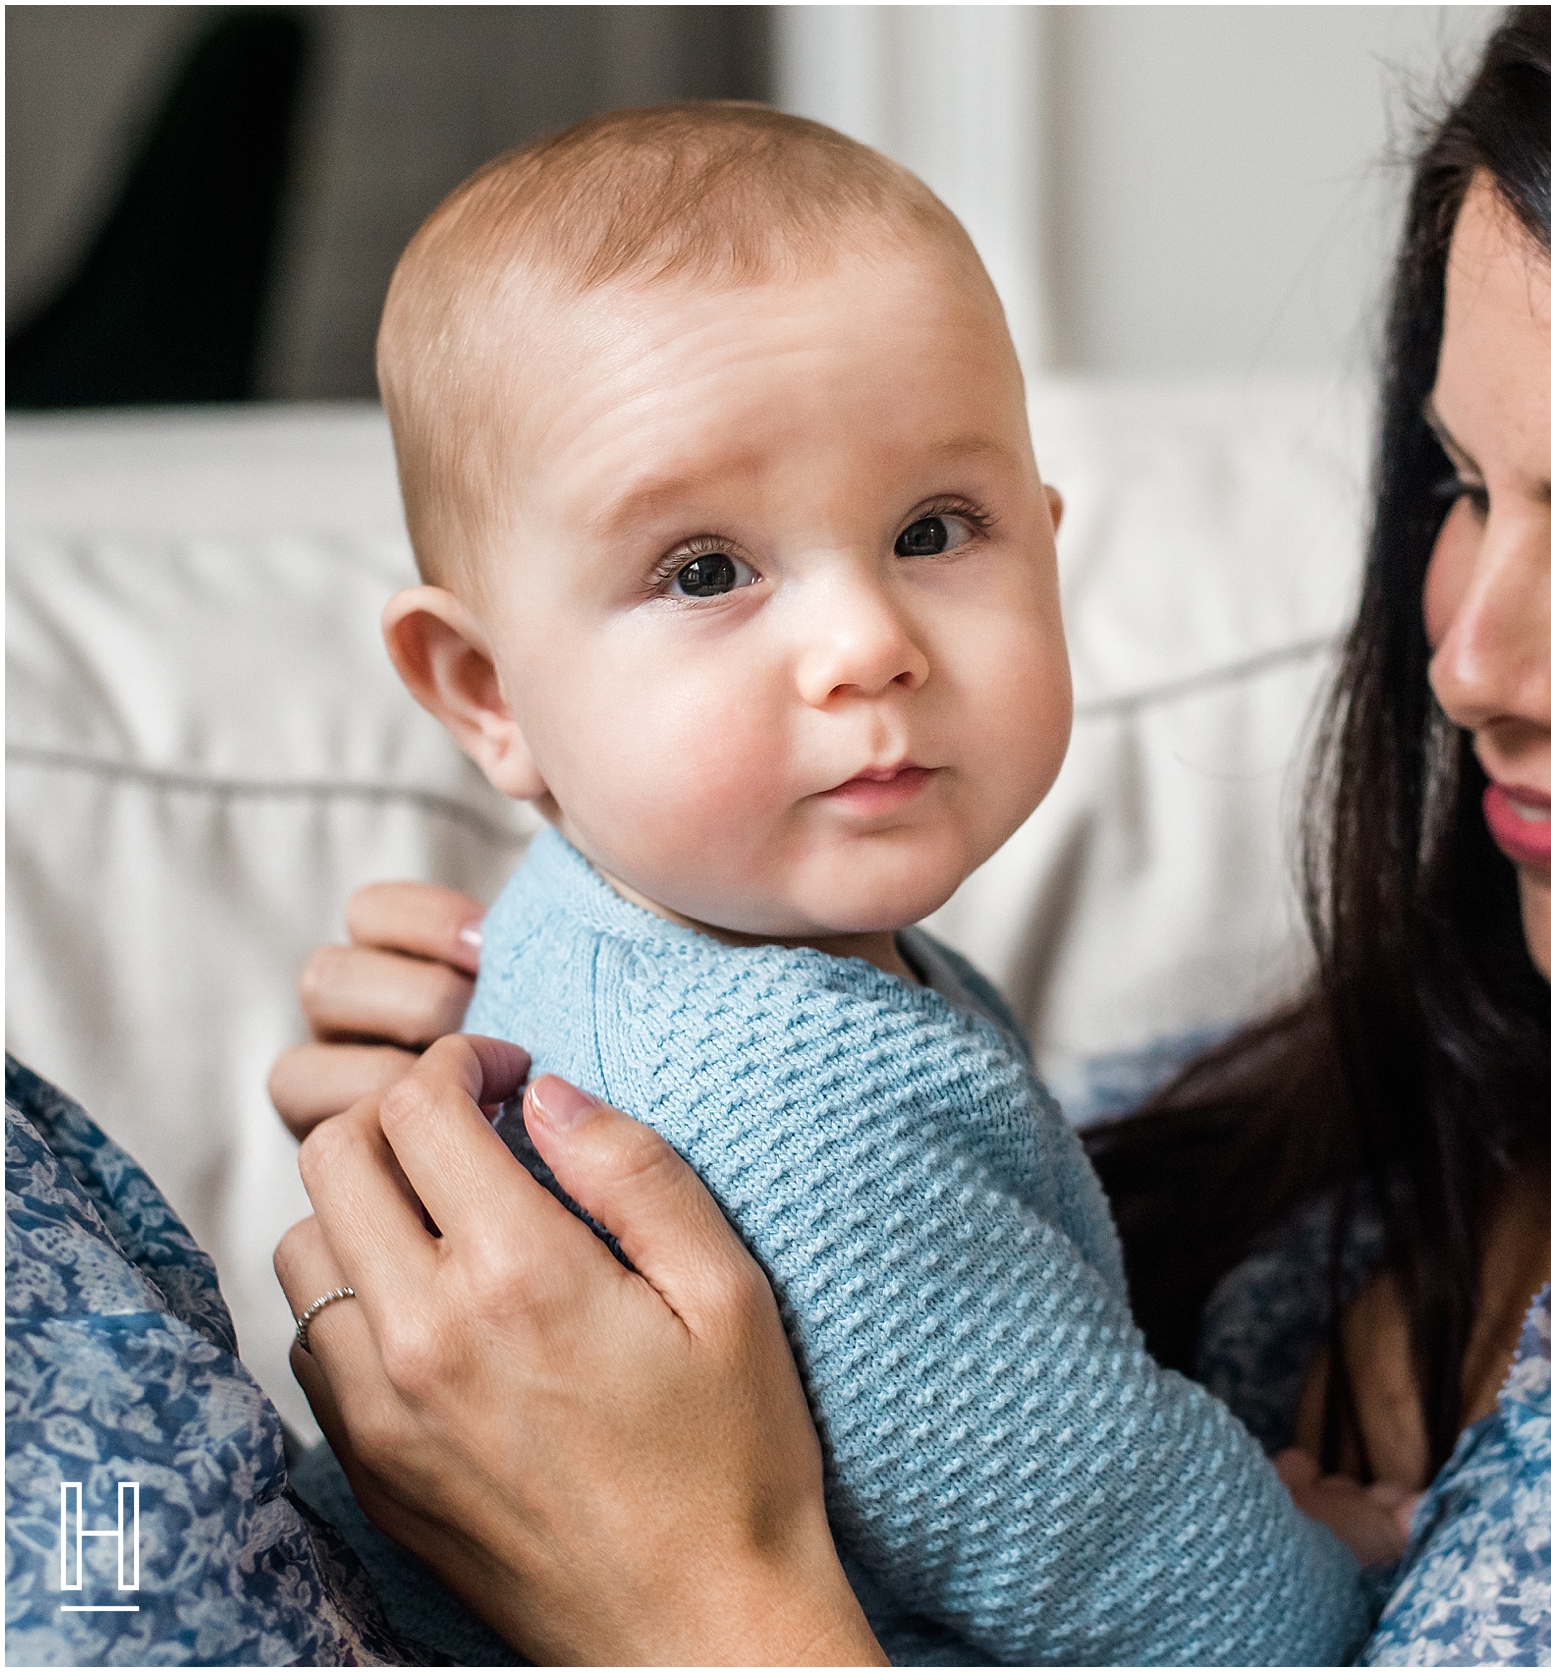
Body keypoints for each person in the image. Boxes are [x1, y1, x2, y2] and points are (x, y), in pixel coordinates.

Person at [19, 6, 1551, 1665]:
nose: (1472, 653)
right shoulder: (1349, 1105)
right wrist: (470, 1174)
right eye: (1458, 486)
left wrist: (702, 1597)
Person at [287, 100, 1393, 1665]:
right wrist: (1317, 1584)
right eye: (706, 570)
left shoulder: (628, 921)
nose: (869, 641)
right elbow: (1123, 1562)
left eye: (935, 529)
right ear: (485, 690)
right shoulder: (819, 1107)